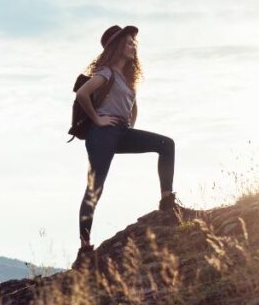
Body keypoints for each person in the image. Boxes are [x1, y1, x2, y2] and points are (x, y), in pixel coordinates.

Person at [73, 25, 182, 269]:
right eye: (129, 42)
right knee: (95, 188)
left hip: (120, 132)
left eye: (134, 42)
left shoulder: (126, 77)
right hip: (101, 134)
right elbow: (82, 94)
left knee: (166, 145)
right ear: (116, 46)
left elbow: (132, 105)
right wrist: (97, 119)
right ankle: (84, 248)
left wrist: (130, 125)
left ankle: (167, 201)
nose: (133, 46)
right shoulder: (107, 72)